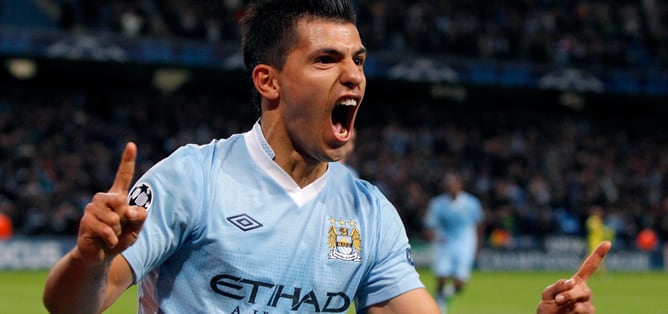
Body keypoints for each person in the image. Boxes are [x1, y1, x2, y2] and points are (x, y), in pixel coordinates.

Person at [42, 1, 611, 313]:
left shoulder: (369, 213)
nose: (354, 76)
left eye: (359, 59)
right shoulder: (194, 178)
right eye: (327, 59)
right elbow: (70, 307)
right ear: (269, 81)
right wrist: (90, 258)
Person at [423, 171, 483, 312]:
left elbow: (479, 225)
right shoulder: (438, 204)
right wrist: (433, 237)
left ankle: (445, 295)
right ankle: (439, 307)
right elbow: (429, 225)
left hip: (465, 244)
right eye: (448, 185)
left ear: (460, 185)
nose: (451, 187)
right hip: (444, 245)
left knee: (459, 284)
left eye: (454, 184)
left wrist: (478, 248)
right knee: (441, 277)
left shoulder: (471, 203)